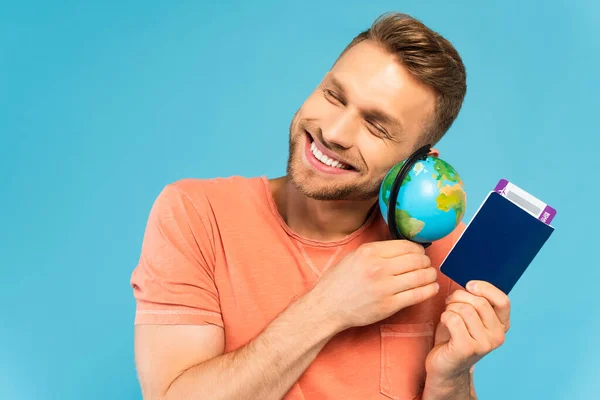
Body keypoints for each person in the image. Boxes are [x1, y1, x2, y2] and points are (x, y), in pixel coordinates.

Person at [130, 12, 511, 400]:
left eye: (376, 126)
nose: (333, 132)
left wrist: (452, 380)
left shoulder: (444, 251)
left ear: (418, 162)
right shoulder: (196, 214)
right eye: (334, 95)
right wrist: (328, 308)